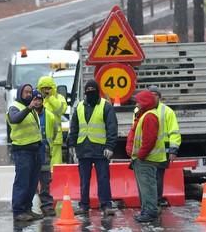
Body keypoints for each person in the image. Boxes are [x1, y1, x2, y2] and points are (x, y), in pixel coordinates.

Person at [67, 79, 117, 217]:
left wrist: (110, 146)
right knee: (84, 180)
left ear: (98, 92)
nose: (90, 94)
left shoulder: (105, 107)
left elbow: (112, 128)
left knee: (103, 179)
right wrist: (72, 144)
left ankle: (106, 205)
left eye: (92, 92)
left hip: (101, 150)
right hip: (83, 150)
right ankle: (84, 205)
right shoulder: (79, 107)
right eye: (88, 92)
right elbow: (74, 128)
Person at [126, 90, 165, 223]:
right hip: (144, 158)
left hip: (146, 159)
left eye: (138, 101)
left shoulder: (149, 116)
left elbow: (149, 140)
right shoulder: (147, 115)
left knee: (147, 186)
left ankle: (150, 211)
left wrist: (141, 155)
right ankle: (146, 210)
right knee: (146, 186)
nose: (137, 104)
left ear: (145, 102)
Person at [7, 83, 44, 221]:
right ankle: (18, 211)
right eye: (26, 92)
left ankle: (27, 209)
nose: (29, 94)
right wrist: (29, 108)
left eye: (30, 92)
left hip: (35, 149)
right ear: (20, 93)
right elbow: (15, 119)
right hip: (22, 150)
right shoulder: (15, 107)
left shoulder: (32, 109)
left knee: (32, 182)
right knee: (22, 182)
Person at [148, 85, 181, 207]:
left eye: (155, 95)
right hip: (146, 151)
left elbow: (174, 132)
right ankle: (149, 201)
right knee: (147, 177)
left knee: (158, 176)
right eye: (150, 94)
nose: (152, 97)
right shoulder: (139, 110)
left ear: (160, 97)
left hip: (162, 151)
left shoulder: (167, 112)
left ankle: (157, 200)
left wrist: (173, 150)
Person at [31, 88, 55, 217]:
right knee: (31, 179)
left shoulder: (50, 116)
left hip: (45, 151)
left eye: (39, 99)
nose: (37, 102)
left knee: (45, 180)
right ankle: (31, 205)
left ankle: (47, 205)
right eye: (35, 99)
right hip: (32, 150)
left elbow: (55, 132)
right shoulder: (28, 114)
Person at [36, 76, 67, 167]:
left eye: (48, 88)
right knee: (41, 162)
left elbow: (61, 110)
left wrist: (51, 98)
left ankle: (56, 179)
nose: (46, 90)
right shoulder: (37, 99)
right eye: (44, 88)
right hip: (40, 137)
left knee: (56, 164)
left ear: (53, 88)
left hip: (55, 138)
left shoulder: (59, 97)